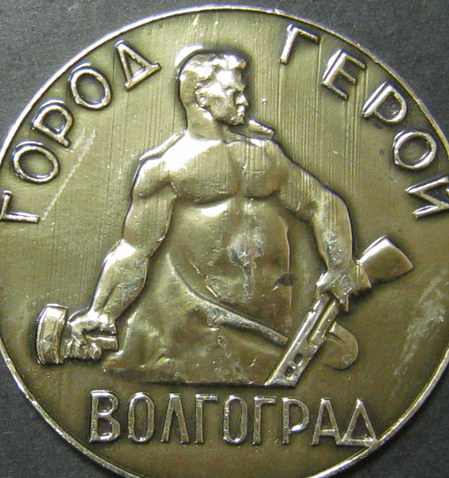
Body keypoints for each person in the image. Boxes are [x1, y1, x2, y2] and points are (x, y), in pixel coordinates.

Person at [66, 52, 370, 384]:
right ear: (202, 96)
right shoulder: (166, 170)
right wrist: (102, 313)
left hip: (276, 327)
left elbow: (321, 202)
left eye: (243, 92)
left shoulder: (265, 154)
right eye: (233, 92)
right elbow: (135, 250)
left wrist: (341, 265)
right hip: (200, 326)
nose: (245, 100)